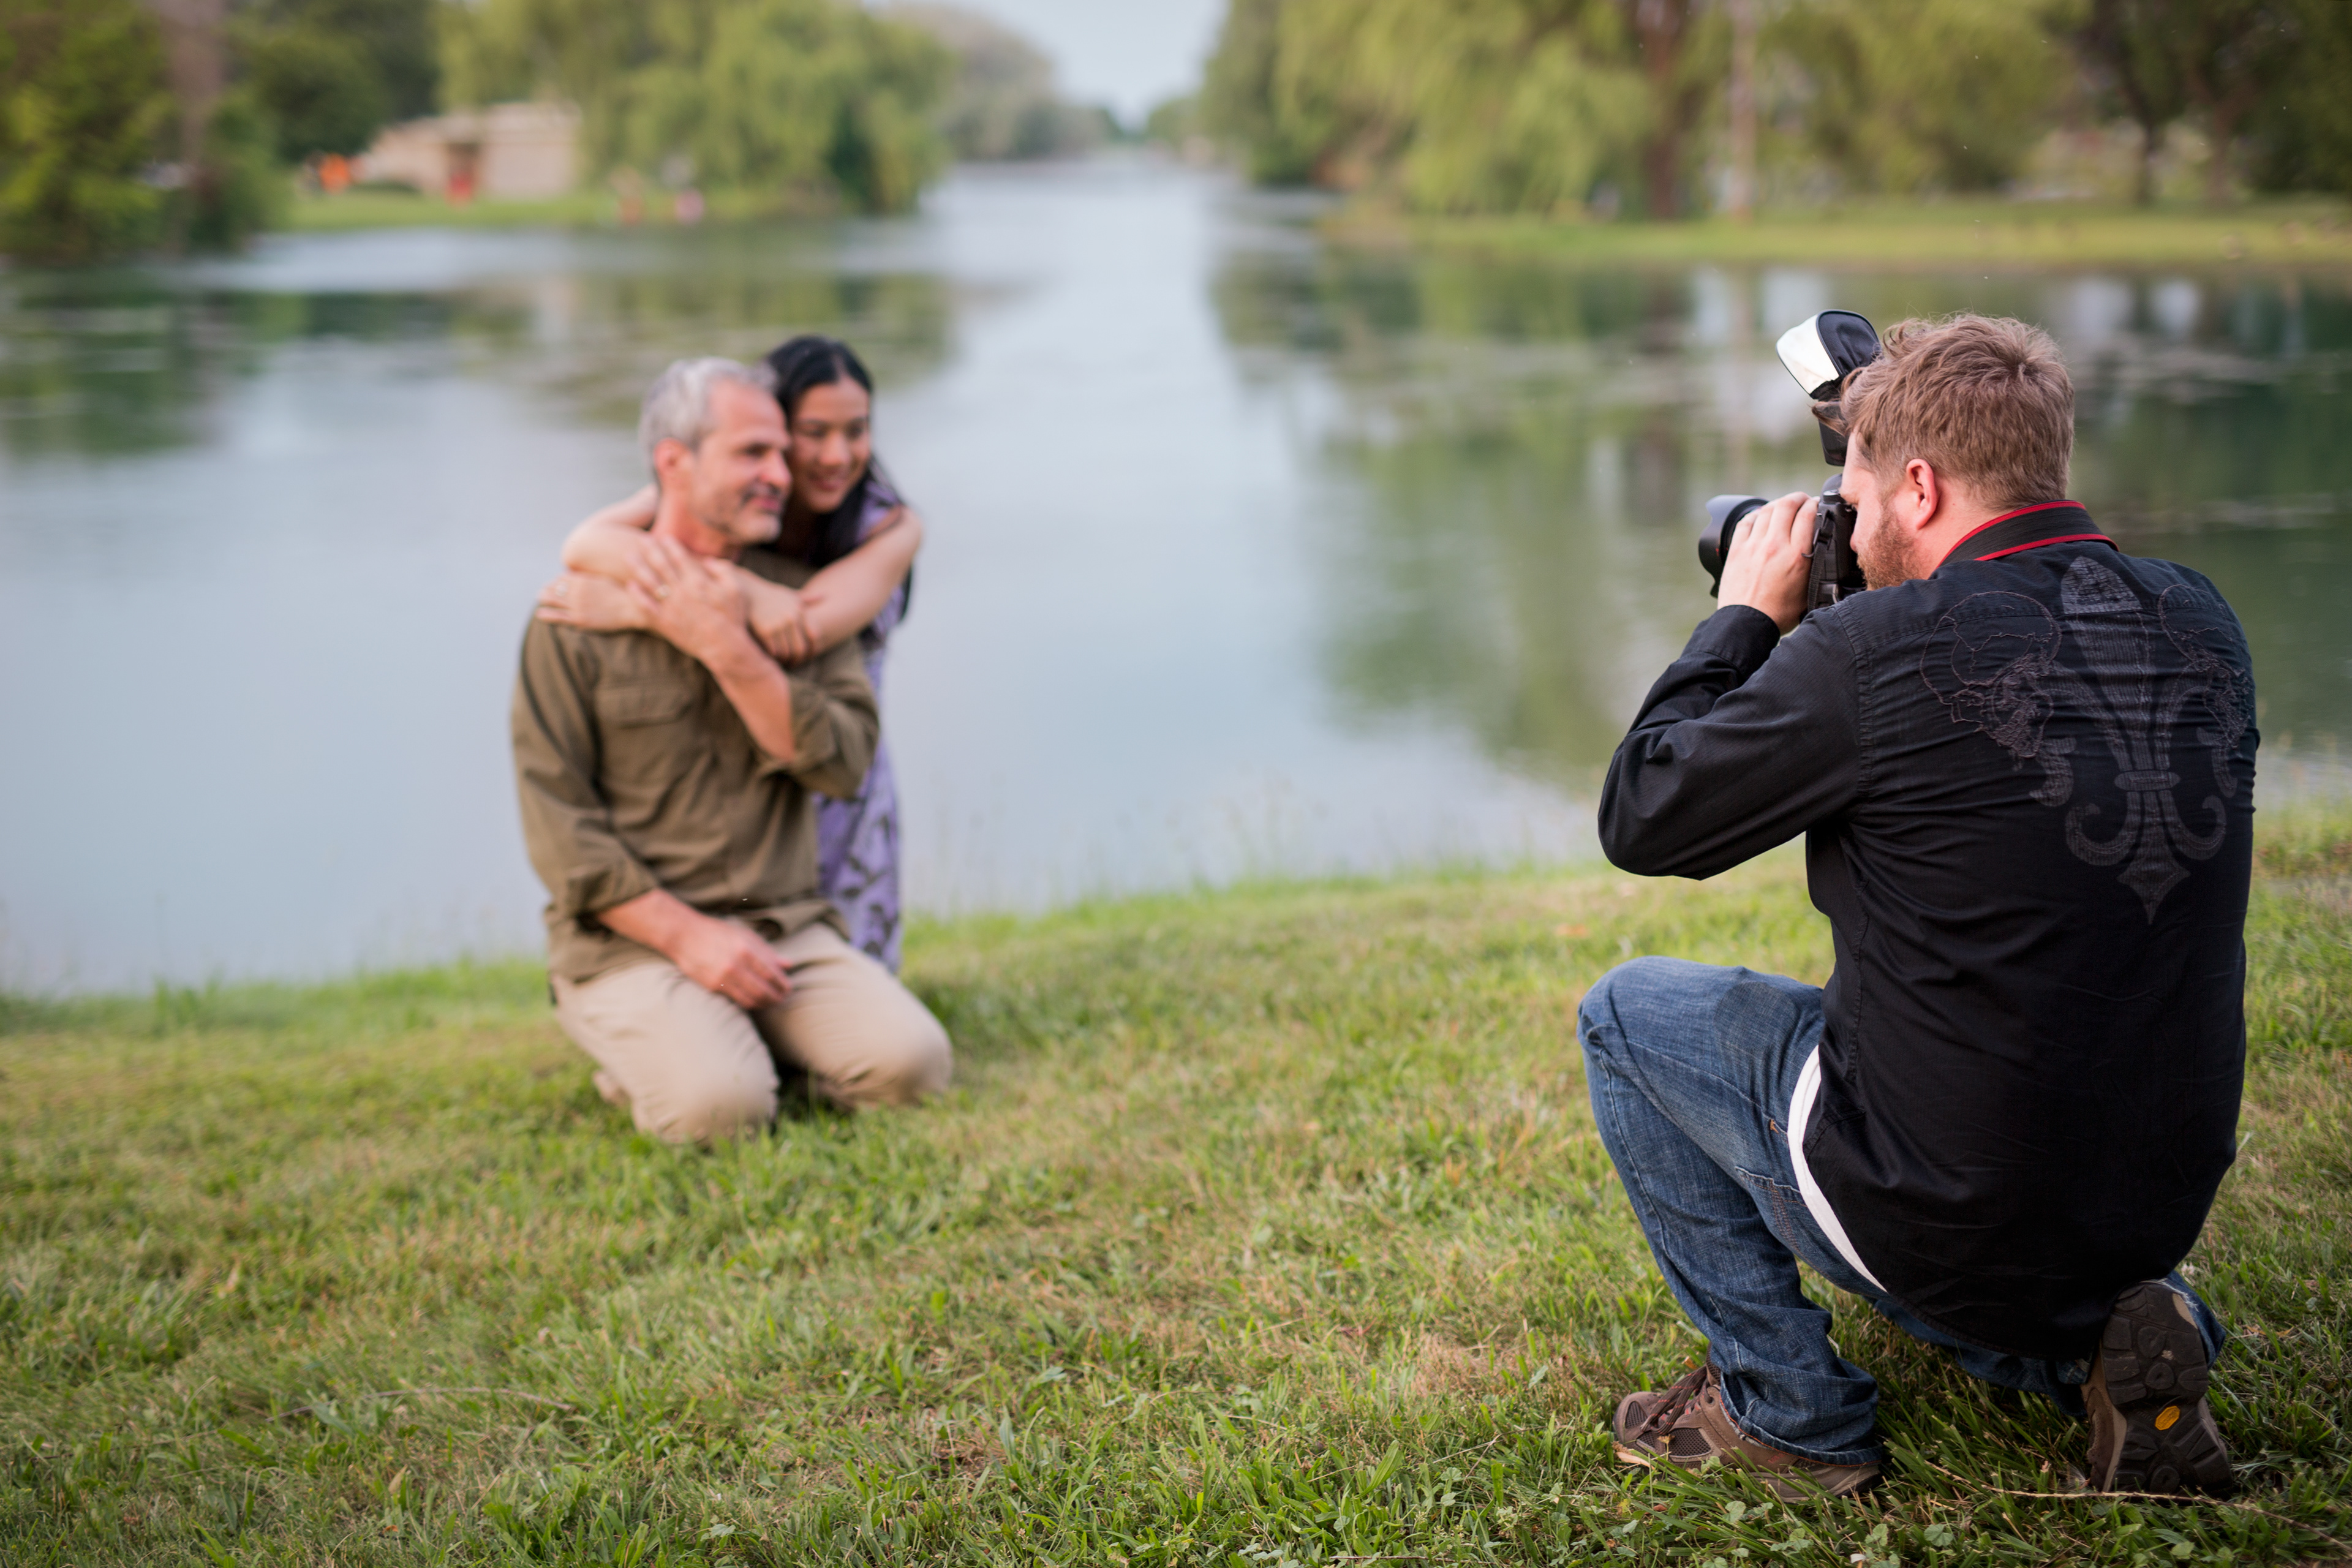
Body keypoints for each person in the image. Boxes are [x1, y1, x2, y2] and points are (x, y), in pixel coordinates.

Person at [1581, 315, 2253, 1499]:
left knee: (1630, 1015)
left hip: (1942, 1202)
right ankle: (2118, 1334)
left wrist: (1746, 619)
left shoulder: (1874, 653)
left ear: (1924, 486)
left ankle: (1791, 1417)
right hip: (2155, 1203)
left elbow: (1645, 814)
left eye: (1851, 492)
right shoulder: (2202, 620)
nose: (1840, 522)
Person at [513, 356, 951, 1144]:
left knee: (914, 1065)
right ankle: (679, 1051)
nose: (783, 474)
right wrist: (689, 938)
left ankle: (734, 1041)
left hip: (781, 925)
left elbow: (842, 765)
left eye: (782, 452)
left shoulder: (797, 602)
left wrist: (725, 644)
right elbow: (561, 829)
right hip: (630, 944)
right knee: (723, 1110)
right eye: (754, 453)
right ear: (674, 462)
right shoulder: (573, 618)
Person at [537, 335, 921, 971]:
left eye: (857, 431)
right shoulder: (743, 486)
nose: (837, 454)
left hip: (835, 743)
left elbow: (800, 626)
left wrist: (639, 607)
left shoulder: (889, 525)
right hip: (750, 747)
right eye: (813, 433)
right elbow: (586, 542)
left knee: (846, 945)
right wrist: (721, 589)